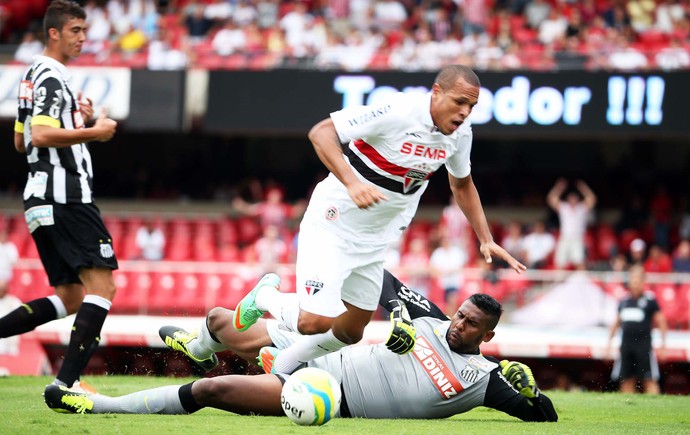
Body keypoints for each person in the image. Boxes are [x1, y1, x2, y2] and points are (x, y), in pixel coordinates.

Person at [232, 64, 526, 376]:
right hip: (334, 223)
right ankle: (265, 296)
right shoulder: (399, 110)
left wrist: (485, 237)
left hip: (374, 239)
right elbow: (321, 133)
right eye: (459, 102)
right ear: (436, 92)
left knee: (351, 330)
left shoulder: (459, 135)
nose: (465, 112)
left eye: (472, 106)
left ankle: (283, 364)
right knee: (313, 322)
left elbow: (461, 183)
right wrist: (352, 182)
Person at [44, 270, 558, 422]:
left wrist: (533, 395)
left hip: (332, 393)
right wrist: (399, 313)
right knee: (221, 319)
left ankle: (98, 403)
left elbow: (545, 418)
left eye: (470, 326)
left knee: (212, 389)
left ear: (487, 337)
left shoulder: (485, 381)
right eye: (461, 314)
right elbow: (376, 276)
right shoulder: (430, 317)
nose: (458, 325)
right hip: (326, 352)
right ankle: (206, 342)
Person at [0, 0, 118, 395]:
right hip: (66, 196)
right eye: (75, 31)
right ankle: (68, 384)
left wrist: (77, 120)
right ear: (53, 33)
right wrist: (94, 131)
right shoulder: (51, 76)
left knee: (69, 296)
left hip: (39, 200)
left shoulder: (30, 77)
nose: (83, 38)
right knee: (102, 289)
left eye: (84, 30)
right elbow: (41, 136)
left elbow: (20, 140)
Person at [606, 265, 668, 394]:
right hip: (626, 346)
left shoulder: (650, 300)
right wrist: (609, 344)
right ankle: (629, 410)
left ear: (643, 282)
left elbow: (661, 321)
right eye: (632, 280)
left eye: (637, 280)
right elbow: (616, 323)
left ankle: (655, 409)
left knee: (649, 380)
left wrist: (663, 344)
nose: (634, 284)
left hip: (643, 347)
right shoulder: (624, 301)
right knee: (626, 381)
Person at [546, 178, 597, 270]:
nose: (573, 200)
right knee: (559, 263)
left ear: (578, 199)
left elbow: (592, 199)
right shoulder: (564, 208)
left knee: (579, 263)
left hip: (578, 238)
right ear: (568, 199)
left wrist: (583, 188)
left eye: (575, 198)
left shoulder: (581, 208)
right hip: (565, 237)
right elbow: (551, 199)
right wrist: (558, 188)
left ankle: (581, 283)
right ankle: (559, 283)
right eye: (571, 198)